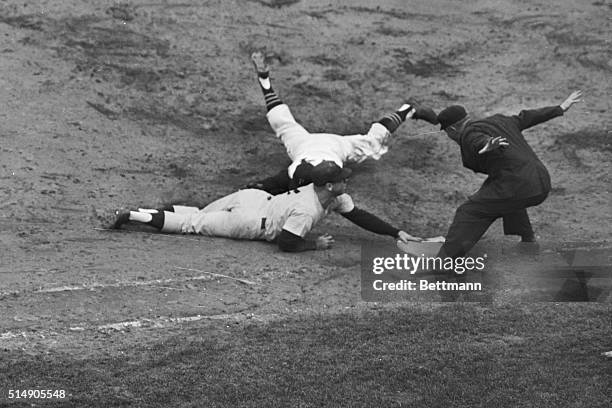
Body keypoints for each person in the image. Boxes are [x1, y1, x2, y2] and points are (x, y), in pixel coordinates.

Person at [108, 161, 422, 252]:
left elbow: (359, 216)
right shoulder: (307, 209)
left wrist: (395, 231)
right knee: (195, 225)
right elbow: (287, 242)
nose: (346, 182)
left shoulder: (330, 196)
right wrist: (316, 244)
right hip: (248, 220)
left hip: (251, 197)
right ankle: (135, 215)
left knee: (201, 213)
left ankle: (141, 212)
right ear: (328, 185)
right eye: (342, 180)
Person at [246, 51, 439, 194]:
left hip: (327, 146)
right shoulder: (294, 171)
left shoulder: (295, 174)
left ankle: (406, 111)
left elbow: (271, 184)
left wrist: (256, 189)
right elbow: (271, 183)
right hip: (309, 146)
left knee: (284, 123)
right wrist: (258, 188)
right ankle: (407, 111)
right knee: (284, 124)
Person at [433, 90, 583, 261]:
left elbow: (477, 140)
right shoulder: (500, 120)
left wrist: (486, 146)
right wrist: (560, 108)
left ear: (452, 129)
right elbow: (527, 117)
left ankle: (443, 263)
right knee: (503, 195)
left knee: (469, 211)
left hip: (519, 185)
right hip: (540, 180)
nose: (449, 137)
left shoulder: (468, 133)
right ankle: (528, 243)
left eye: (446, 133)